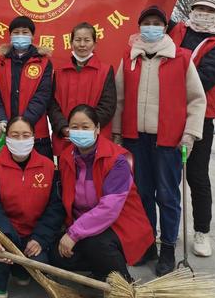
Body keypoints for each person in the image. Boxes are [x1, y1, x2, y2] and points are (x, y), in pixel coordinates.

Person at [112, 5, 206, 276]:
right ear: (139, 26)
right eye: (146, 22)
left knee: (167, 195)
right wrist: (117, 133)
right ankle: (146, 244)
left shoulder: (181, 57)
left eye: (156, 23)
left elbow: (197, 100)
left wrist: (190, 133)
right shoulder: (129, 57)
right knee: (141, 194)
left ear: (164, 27)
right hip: (135, 139)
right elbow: (119, 99)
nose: (151, 27)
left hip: (168, 140)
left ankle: (167, 249)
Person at [52, 104, 153, 282]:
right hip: (83, 223)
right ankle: (101, 271)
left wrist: (74, 234)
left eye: (85, 127)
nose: (80, 131)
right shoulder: (67, 157)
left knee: (95, 243)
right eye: (74, 127)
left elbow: (109, 209)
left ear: (97, 128)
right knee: (56, 254)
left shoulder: (117, 159)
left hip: (120, 223)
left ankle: (123, 281)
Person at [0, 116, 64, 298]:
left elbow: (55, 208)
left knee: (37, 262)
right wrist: (5, 238)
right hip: (2, 232)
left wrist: (40, 238)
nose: (20, 140)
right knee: (4, 254)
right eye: (15, 135)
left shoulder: (49, 167)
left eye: (26, 135)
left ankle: (21, 270)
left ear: (34, 136)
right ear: (6, 137)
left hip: (33, 233)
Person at [168, 0, 215, 257]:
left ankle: (201, 230)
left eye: (209, 10)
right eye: (199, 8)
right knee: (166, 175)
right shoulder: (177, 29)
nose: (204, 13)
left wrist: (169, 77)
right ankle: (166, 229)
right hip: (166, 113)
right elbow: (153, 10)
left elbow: (207, 77)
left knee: (196, 176)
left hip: (200, 116)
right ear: (191, 9)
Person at [48, 22, 116, 157]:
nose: (82, 44)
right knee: (65, 175)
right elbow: (52, 104)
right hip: (65, 138)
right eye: (78, 40)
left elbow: (108, 105)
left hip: (94, 137)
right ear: (71, 43)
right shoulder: (59, 71)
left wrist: (86, 129)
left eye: (87, 40)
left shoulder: (105, 70)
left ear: (94, 44)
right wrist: (64, 128)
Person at [0, 16, 53, 159]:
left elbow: (43, 95)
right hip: (3, 130)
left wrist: (23, 125)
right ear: (10, 35)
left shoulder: (43, 62)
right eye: (16, 32)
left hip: (35, 131)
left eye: (25, 32)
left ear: (32, 36)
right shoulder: (0, 61)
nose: (20, 36)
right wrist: (0, 119)